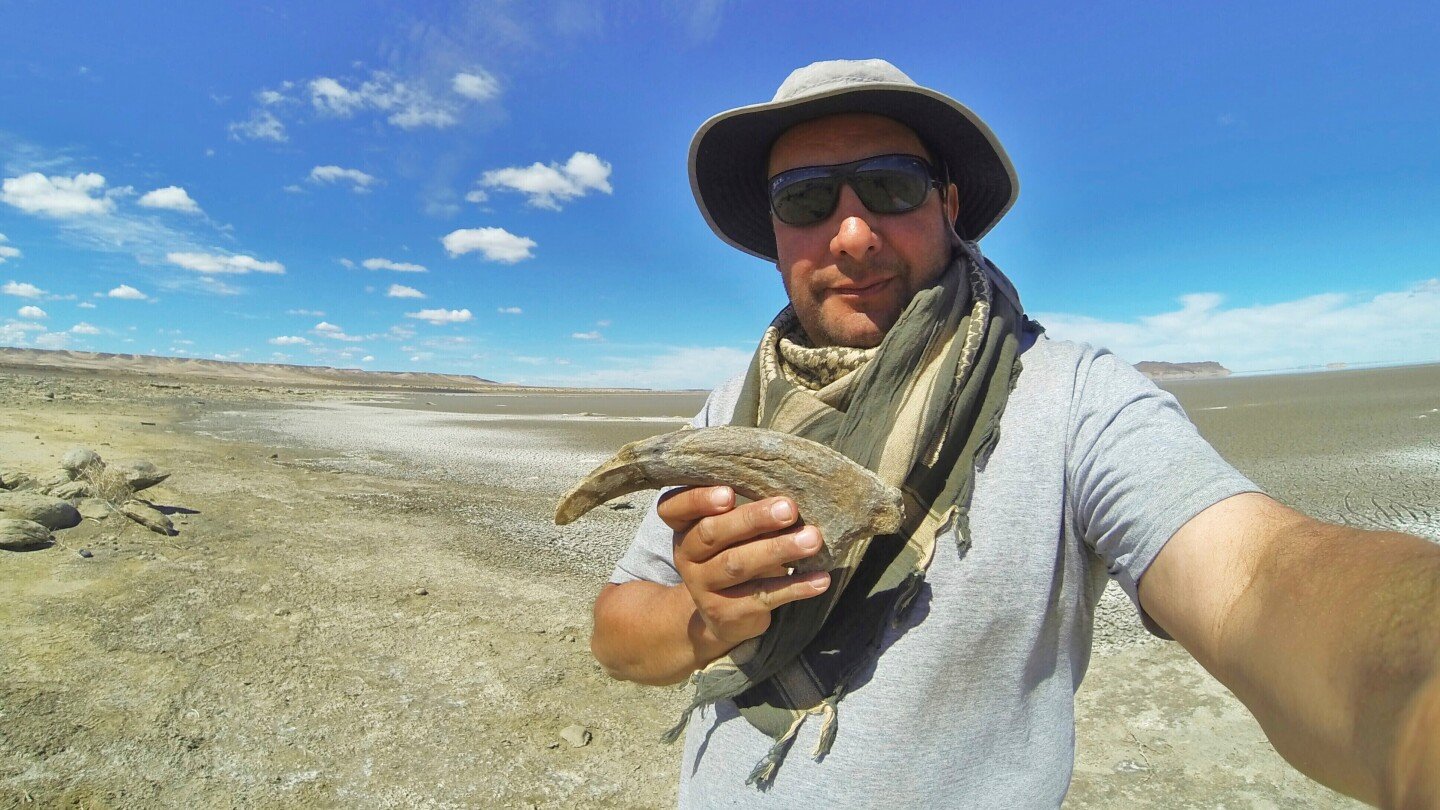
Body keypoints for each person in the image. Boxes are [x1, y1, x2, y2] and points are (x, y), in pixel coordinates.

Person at [589, 58, 1440, 807]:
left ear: (949, 204)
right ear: (776, 237)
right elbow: (618, 633)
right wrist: (708, 619)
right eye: (806, 198)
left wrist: (1412, 706)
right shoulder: (734, 407)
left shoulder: (1074, 397)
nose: (852, 233)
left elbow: (1253, 579)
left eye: (890, 186)